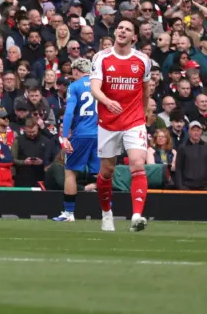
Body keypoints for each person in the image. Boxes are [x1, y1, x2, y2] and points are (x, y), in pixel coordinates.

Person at [90, 19, 152, 232]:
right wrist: (107, 101)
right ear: (116, 32)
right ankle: (107, 213)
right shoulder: (101, 57)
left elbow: (145, 90)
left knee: (137, 163)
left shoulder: (143, 60)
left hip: (134, 121)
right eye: (120, 28)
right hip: (108, 122)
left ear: (134, 37)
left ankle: (136, 216)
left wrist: (144, 114)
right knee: (107, 170)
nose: (122, 31)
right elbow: (95, 88)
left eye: (128, 29)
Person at [54, 58, 99, 222]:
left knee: (70, 172)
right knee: (101, 174)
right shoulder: (99, 85)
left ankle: (69, 213)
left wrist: (65, 136)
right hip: (100, 134)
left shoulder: (74, 86)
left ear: (75, 71)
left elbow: (69, 113)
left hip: (81, 134)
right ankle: (108, 212)